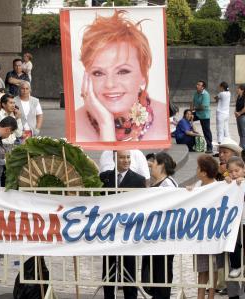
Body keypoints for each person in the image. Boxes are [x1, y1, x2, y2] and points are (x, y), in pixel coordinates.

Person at [75, 10, 167, 143]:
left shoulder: (164, 118)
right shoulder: (76, 125)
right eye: (98, 73)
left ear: (143, 74)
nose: (110, 84)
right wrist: (105, 122)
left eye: (123, 71)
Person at [100, 150, 146, 299]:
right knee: (109, 265)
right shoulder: (105, 178)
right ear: (115, 159)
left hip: (129, 230)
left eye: (128, 157)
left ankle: (130, 296)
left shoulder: (139, 180)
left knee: (129, 266)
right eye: (122, 157)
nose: (126, 160)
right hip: (110, 230)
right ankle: (108, 295)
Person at [142, 152, 177, 299]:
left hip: (163, 237)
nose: (151, 166)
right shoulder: (157, 183)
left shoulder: (167, 184)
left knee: (161, 272)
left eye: (154, 163)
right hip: (154, 235)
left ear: (162, 165)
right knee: (154, 271)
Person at [188, 155, 223, 299]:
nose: (196, 170)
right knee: (202, 269)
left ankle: (211, 295)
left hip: (214, 234)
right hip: (200, 235)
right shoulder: (197, 185)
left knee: (213, 268)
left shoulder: (218, 187)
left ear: (204, 172)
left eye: (198, 168)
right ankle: (200, 295)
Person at [224, 157, 245, 280]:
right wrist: (227, 181)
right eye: (231, 172)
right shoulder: (229, 183)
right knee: (234, 243)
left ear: (243, 169)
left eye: (236, 171)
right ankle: (236, 266)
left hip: (244, 219)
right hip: (234, 220)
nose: (234, 174)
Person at [191, 80, 213, 153]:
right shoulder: (196, 93)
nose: (197, 85)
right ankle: (190, 140)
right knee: (186, 118)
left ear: (203, 87)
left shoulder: (206, 94)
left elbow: (203, 107)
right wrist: (190, 111)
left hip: (204, 115)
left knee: (206, 131)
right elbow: (192, 102)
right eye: (197, 84)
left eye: (199, 85)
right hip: (197, 113)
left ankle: (210, 147)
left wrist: (194, 109)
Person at [235, 84, 245, 149]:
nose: (237, 89)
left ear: (242, 90)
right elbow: (236, 106)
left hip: (243, 116)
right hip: (238, 116)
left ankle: (243, 146)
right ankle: (241, 145)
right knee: (240, 132)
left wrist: (239, 113)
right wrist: (235, 112)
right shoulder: (238, 96)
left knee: (243, 132)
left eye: (238, 88)